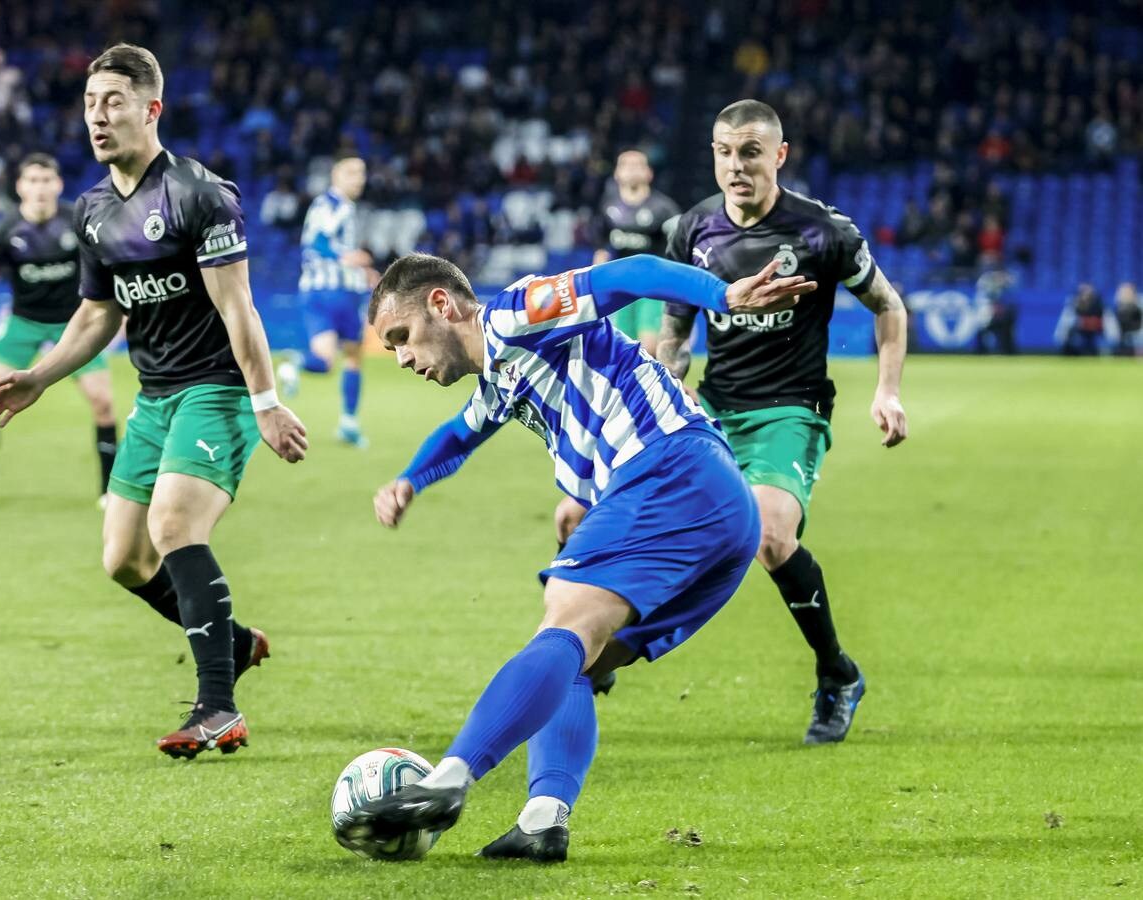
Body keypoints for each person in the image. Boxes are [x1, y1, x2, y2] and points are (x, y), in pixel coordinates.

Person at [336, 250, 813, 861]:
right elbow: (461, 432)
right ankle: (543, 820)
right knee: (576, 664)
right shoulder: (501, 377)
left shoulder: (514, 315)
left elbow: (627, 275)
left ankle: (448, 781)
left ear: (441, 304)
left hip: (670, 469)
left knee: (563, 621)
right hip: (721, 514)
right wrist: (410, 479)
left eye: (401, 337)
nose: (400, 357)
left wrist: (724, 297)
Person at [0, 44, 308, 759]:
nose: (97, 116)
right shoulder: (91, 210)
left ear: (151, 109)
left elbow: (238, 306)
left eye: (113, 102)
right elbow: (97, 315)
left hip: (214, 390)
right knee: (123, 560)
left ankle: (216, 707)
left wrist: (267, 401)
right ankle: (236, 641)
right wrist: (38, 376)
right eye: (90, 104)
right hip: (154, 398)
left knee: (174, 525)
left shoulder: (199, 194)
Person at [649, 99, 911, 744]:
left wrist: (888, 391)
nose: (735, 167)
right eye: (723, 153)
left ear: (779, 155)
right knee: (643, 521)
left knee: (769, 535)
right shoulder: (690, 231)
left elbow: (889, 307)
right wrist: (666, 375)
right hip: (713, 408)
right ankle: (602, 654)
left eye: (749, 153)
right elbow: (675, 332)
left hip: (790, 409)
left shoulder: (823, 233)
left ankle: (836, 673)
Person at [0, 154, 118, 513]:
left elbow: (109, 266)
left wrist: (115, 312)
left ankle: (109, 492)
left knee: (103, 403)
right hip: (23, 321)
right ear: (20, 187)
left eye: (47, 180)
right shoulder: (7, 229)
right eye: (32, 181)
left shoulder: (77, 222)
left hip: (74, 323)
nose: (40, 188)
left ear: (58, 185)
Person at [276, 155, 377, 447]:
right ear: (336, 175)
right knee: (352, 357)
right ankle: (348, 421)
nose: (359, 178)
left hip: (320, 291)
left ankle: (294, 365)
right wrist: (348, 258)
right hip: (334, 293)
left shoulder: (336, 206)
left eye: (362, 173)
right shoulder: (333, 205)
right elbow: (317, 242)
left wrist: (364, 271)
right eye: (352, 173)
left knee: (328, 360)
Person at [589, 149, 683, 355]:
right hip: (622, 285)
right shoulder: (607, 206)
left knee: (648, 346)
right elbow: (601, 245)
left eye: (637, 165)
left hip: (653, 285)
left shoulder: (664, 208)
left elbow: (680, 249)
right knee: (623, 347)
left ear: (649, 173)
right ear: (616, 173)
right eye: (625, 165)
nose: (631, 170)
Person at [1113, 282, 1140, 357]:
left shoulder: (1136, 307)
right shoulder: (1118, 308)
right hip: (1122, 333)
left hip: (1134, 332)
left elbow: (1138, 324)